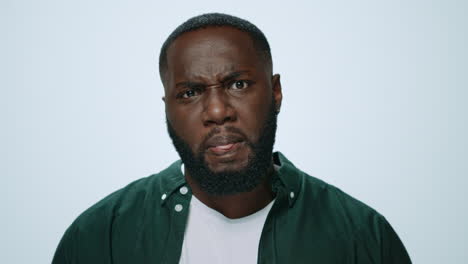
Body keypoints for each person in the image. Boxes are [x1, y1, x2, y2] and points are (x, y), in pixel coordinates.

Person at [52, 13, 411, 263]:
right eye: (190, 93)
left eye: (238, 84)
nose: (217, 111)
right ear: (167, 108)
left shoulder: (361, 237)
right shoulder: (101, 236)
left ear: (276, 93)